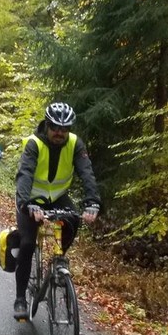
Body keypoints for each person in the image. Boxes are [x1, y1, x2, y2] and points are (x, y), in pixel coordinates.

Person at [12, 102, 100, 320]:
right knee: (27, 244)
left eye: (64, 128)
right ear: (47, 125)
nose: (59, 133)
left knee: (73, 221)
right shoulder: (34, 144)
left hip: (58, 197)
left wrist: (92, 202)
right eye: (55, 127)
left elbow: (86, 173)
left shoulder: (75, 143)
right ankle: (20, 298)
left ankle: (58, 260)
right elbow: (25, 174)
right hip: (31, 198)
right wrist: (26, 203)